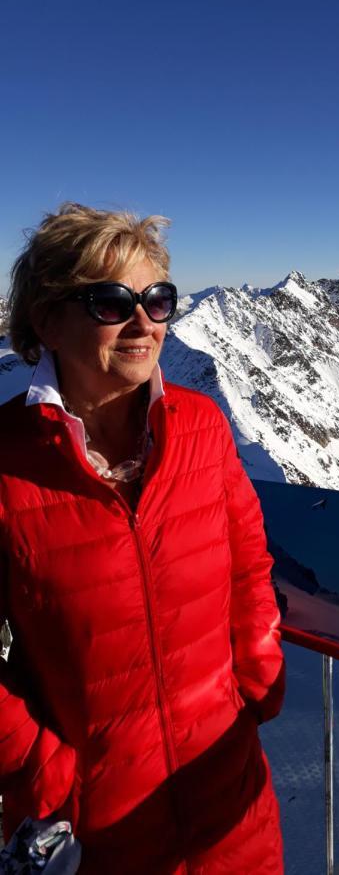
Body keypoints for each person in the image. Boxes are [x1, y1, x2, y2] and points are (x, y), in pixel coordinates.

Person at [0, 203, 285, 874]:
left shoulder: (201, 427)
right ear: (47, 320)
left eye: (157, 300)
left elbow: (248, 563)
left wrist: (257, 683)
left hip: (229, 803)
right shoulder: (6, 462)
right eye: (109, 301)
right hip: (93, 831)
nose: (142, 323)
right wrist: (47, 776)